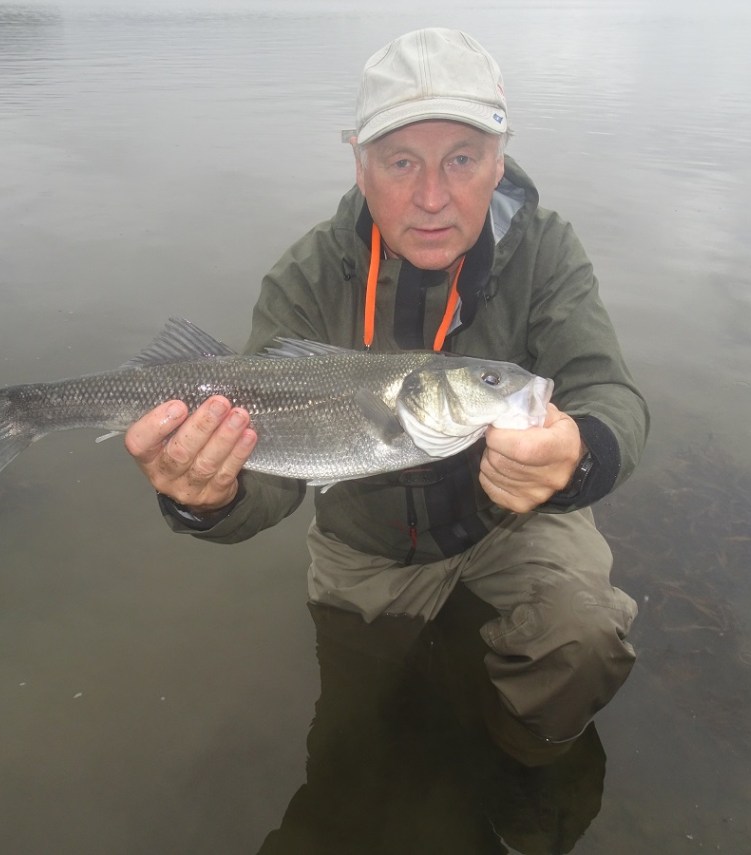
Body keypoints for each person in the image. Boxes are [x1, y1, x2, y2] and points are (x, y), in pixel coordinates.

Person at [125, 27, 648, 765]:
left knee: (584, 636)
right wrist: (204, 498)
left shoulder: (546, 250)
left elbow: (608, 388)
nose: (432, 196)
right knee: (355, 736)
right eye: (402, 161)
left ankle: (522, 769)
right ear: (359, 162)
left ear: (499, 160)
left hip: (513, 521)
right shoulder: (307, 276)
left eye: (462, 160)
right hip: (363, 546)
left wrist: (578, 457)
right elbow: (269, 470)